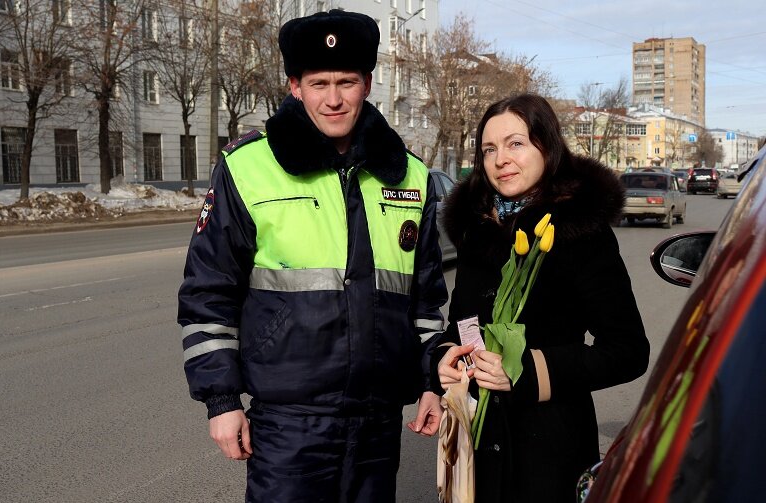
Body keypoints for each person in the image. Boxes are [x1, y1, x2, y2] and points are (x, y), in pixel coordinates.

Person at [177, 9, 448, 503]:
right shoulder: (248, 167)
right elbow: (207, 295)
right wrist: (220, 401)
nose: (334, 98)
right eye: (318, 82)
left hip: (377, 422)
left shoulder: (409, 175)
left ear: (367, 83)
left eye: (347, 81)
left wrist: (434, 382)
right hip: (288, 425)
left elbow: (426, 302)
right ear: (295, 86)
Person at [432, 93, 650, 502]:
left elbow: (628, 350)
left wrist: (525, 371)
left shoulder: (579, 233)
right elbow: (462, 325)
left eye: (516, 143)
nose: (501, 160)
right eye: (489, 149)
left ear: (546, 148)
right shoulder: (477, 230)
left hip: (549, 453)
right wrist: (443, 360)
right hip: (474, 449)